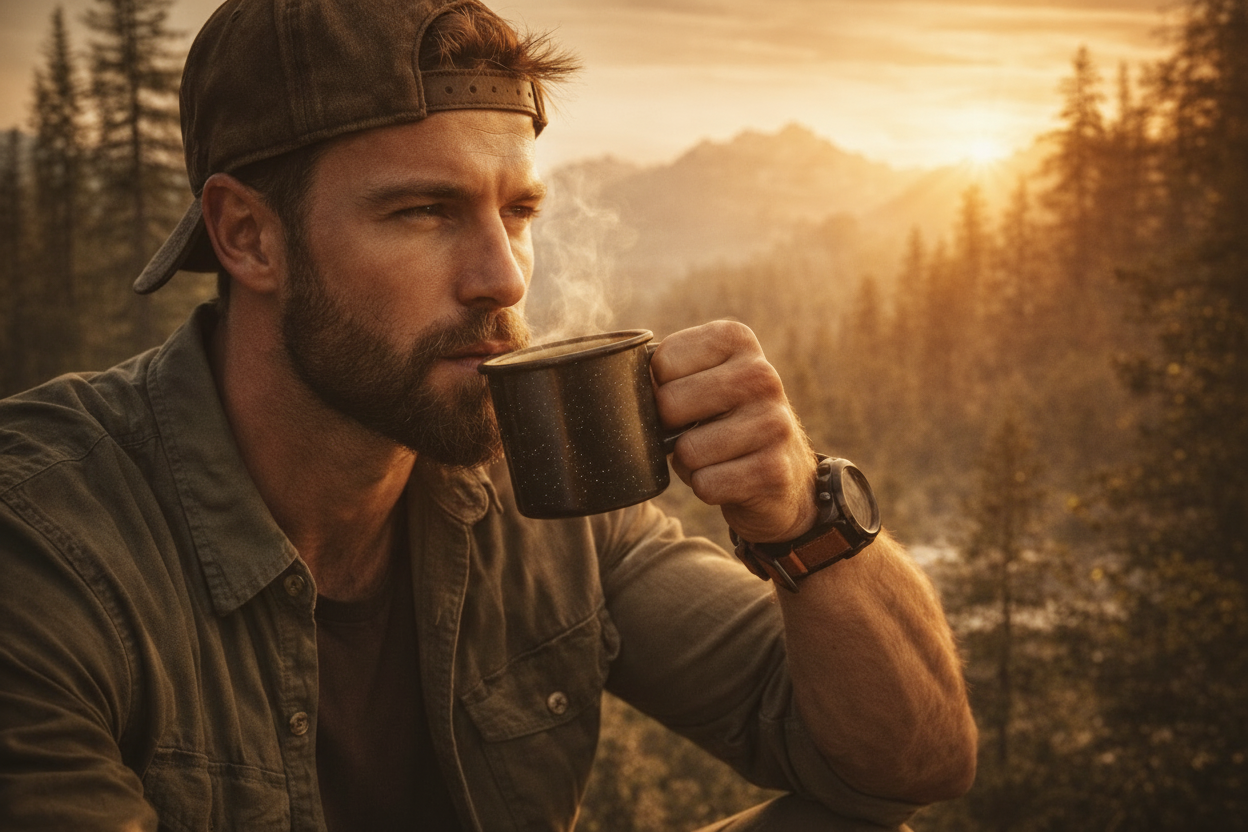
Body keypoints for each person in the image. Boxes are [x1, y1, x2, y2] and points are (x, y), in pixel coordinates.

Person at [0, 0, 977, 829]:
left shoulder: (545, 494)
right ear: (247, 235)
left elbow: (907, 764)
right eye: (422, 211)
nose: (503, 277)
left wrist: (806, 523)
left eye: (517, 212)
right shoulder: (38, 546)